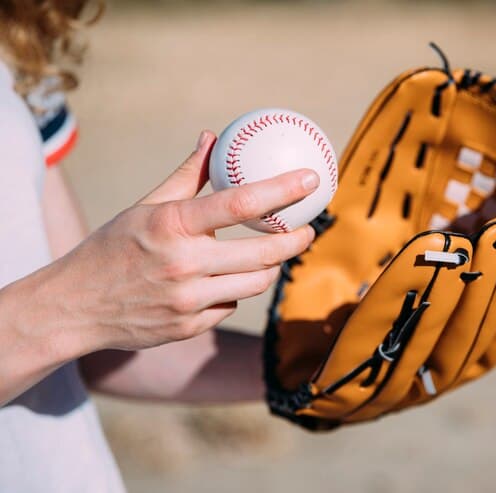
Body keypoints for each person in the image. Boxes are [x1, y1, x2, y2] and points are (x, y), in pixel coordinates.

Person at [0, 1, 318, 491]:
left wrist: (322, 369)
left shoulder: (14, 41)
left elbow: (91, 351)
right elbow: (72, 314)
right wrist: (79, 303)